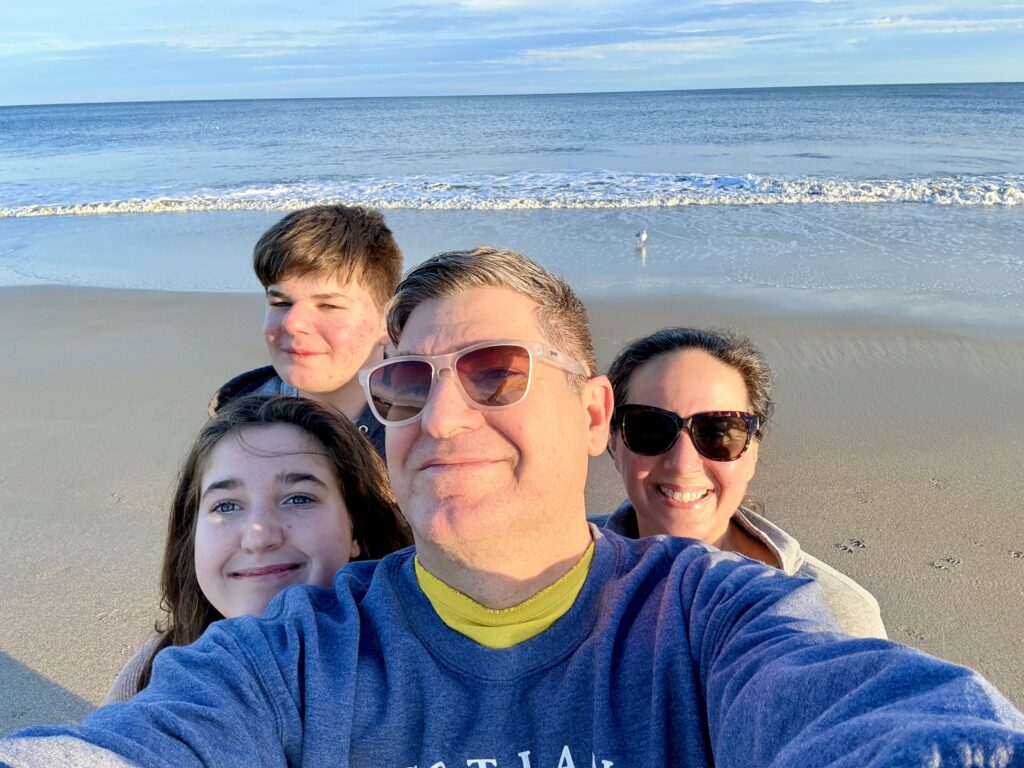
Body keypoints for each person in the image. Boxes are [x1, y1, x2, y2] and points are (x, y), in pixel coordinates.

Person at [4, 247, 1024, 767]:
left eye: (494, 374)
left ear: (590, 415)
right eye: (404, 383)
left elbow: (877, 717)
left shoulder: (714, 617)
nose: (440, 416)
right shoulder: (297, 654)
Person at [105, 394, 412, 703]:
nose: (258, 537)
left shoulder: (411, 681)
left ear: (356, 526)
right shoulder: (148, 678)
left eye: (298, 498)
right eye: (225, 505)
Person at [602, 327, 886, 638]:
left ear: (752, 453)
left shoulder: (838, 616)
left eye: (719, 432)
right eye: (650, 429)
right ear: (613, 442)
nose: (682, 462)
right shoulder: (556, 570)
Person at [208, 204, 404, 458]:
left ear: (389, 322)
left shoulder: (424, 429)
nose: (292, 323)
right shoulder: (233, 426)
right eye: (281, 303)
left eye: (328, 305)